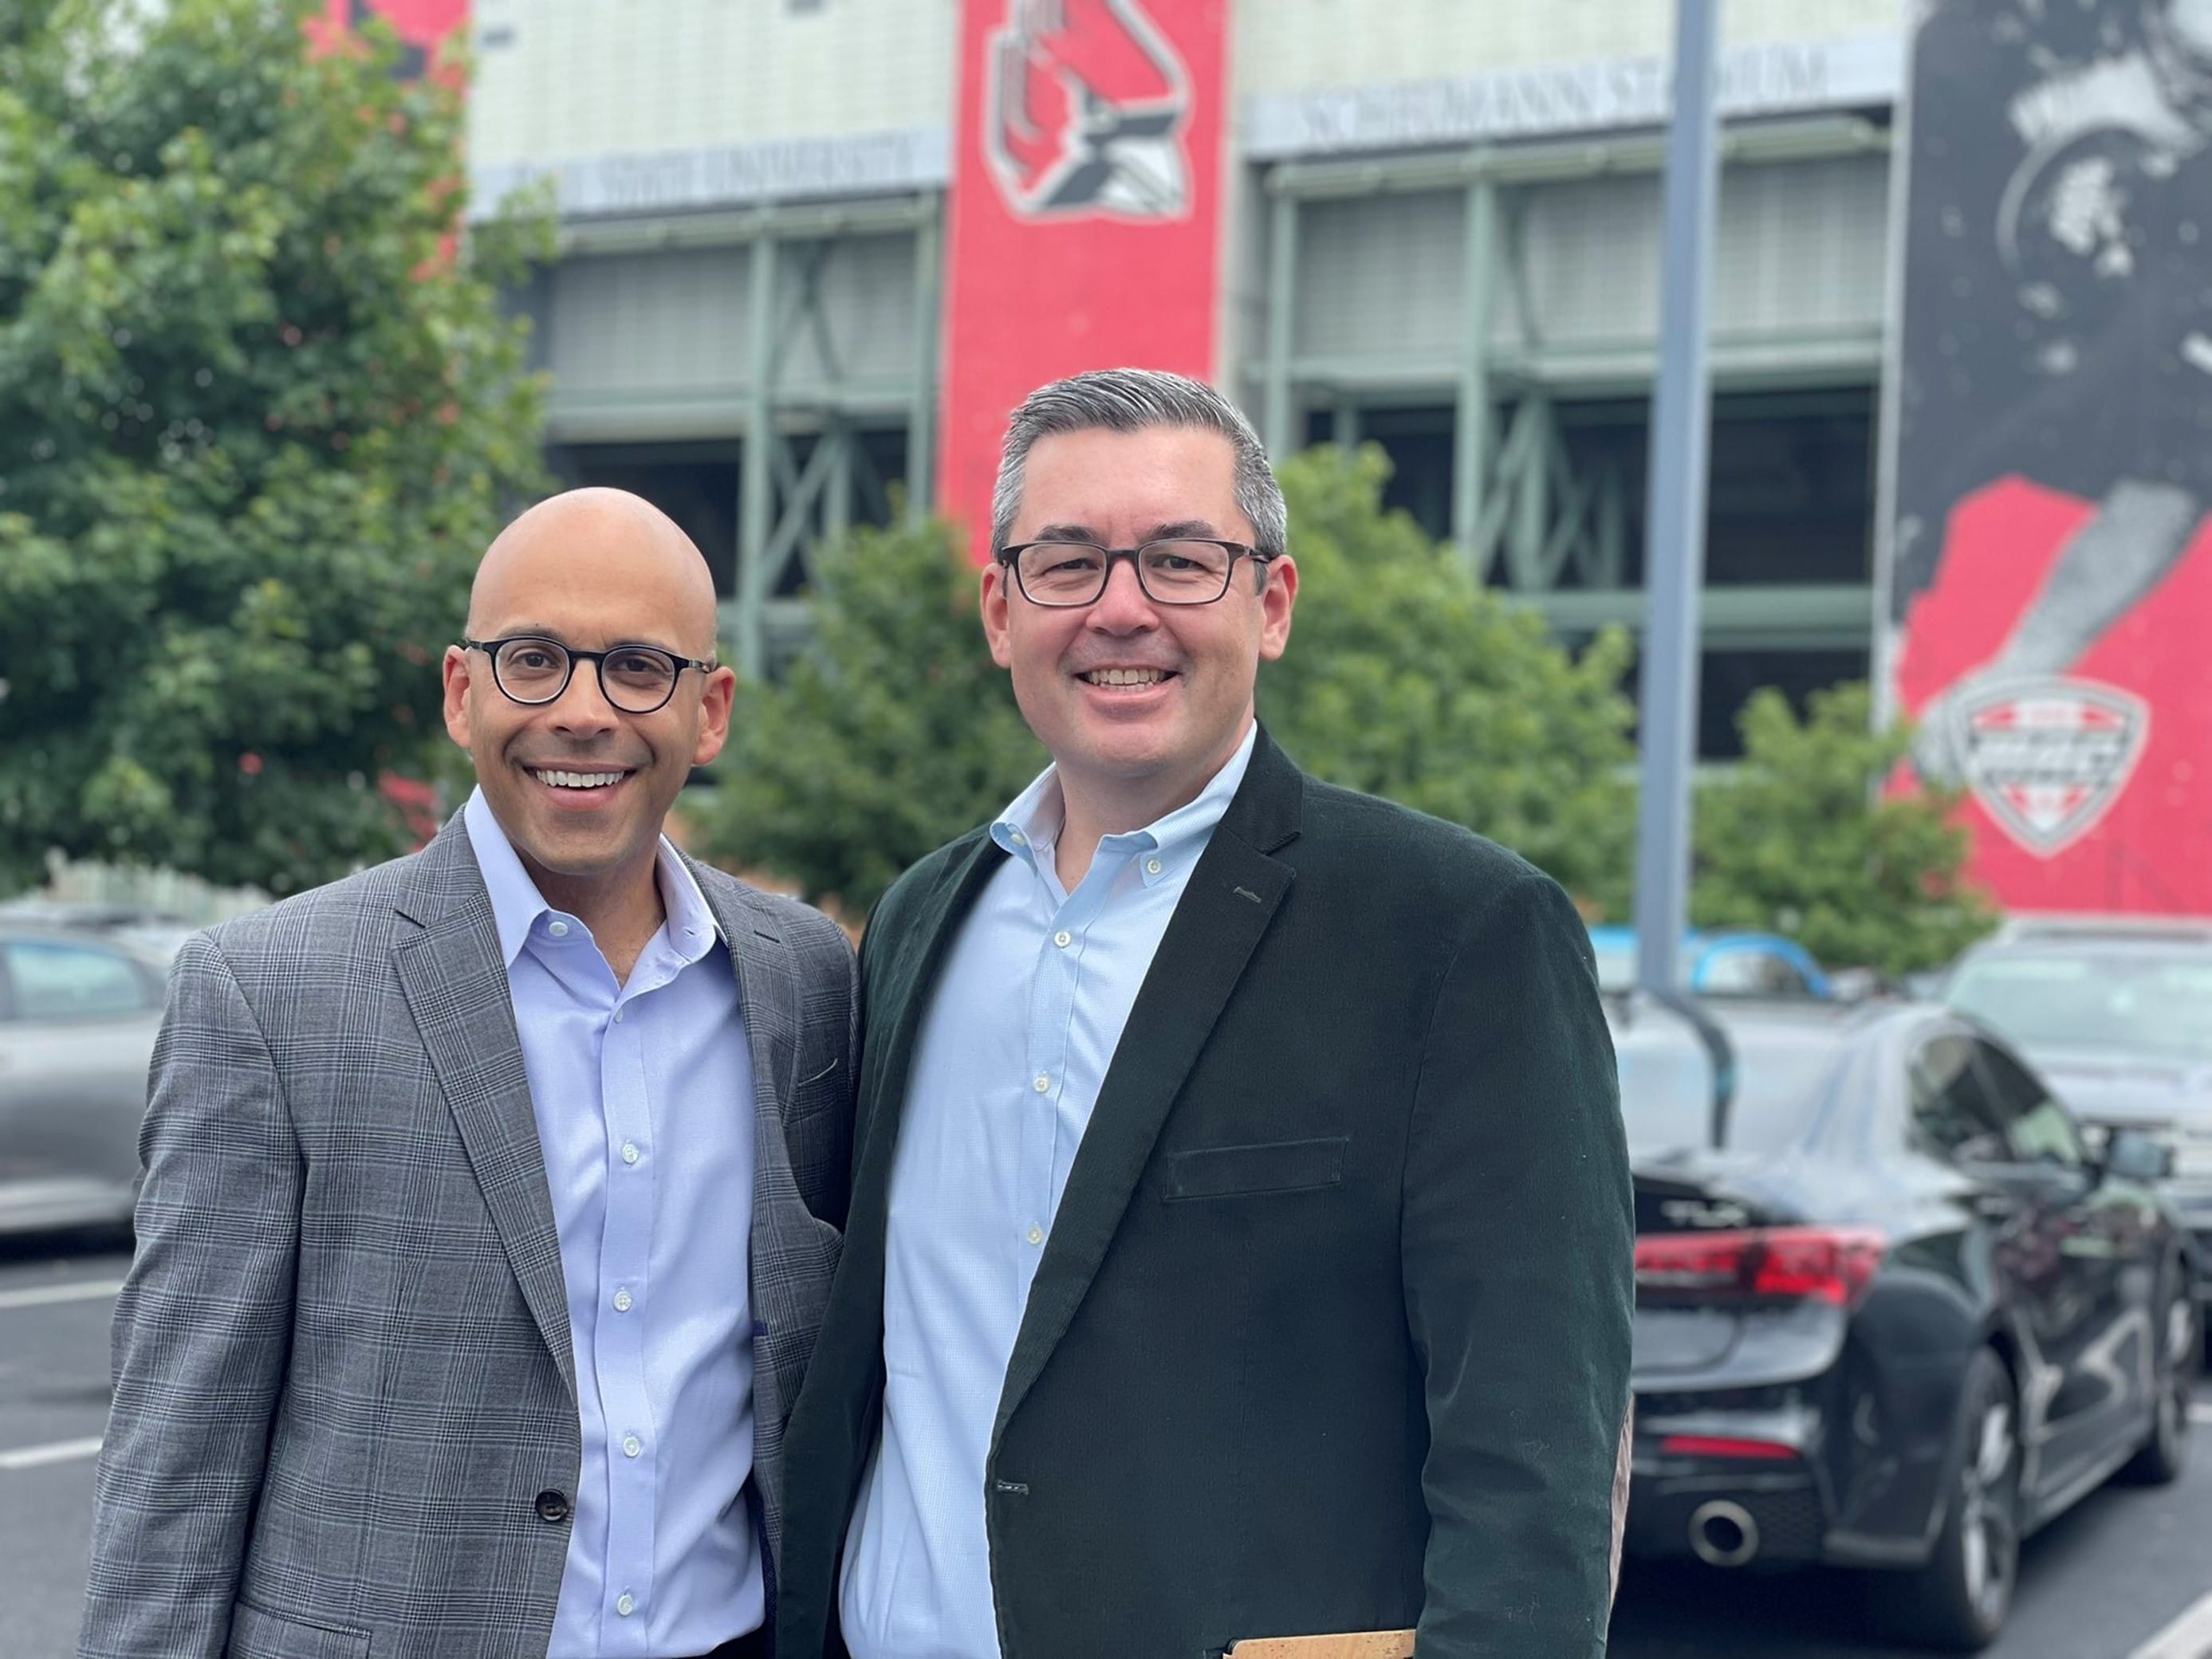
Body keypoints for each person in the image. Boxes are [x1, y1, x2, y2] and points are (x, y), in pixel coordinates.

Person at [777, 370, 1634, 1659]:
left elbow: (1533, 1458)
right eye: (1067, 564)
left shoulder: (1458, 933)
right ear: (1001, 611)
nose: (1122, 609)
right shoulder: (915, 920)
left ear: (1270, 603)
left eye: (1181, 560)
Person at [80, 489, 857, 1659]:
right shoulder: (270, 992)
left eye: (638, 666)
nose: (583, 712)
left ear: (711, 711)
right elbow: (176, 1461)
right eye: (534, 660)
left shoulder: (803, 980)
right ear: (462, 690)